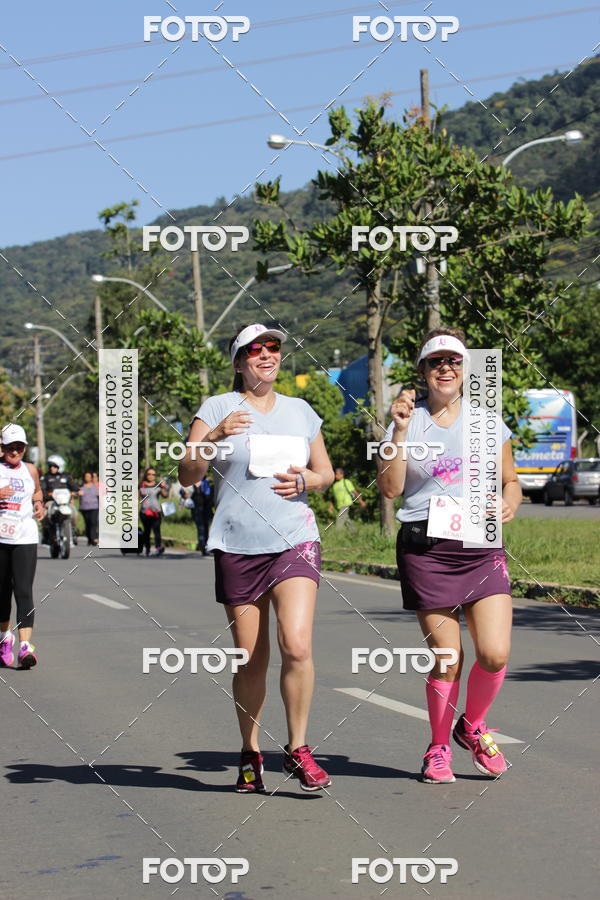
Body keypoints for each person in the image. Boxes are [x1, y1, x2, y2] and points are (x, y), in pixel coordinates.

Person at [179, 322, 335, 793]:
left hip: (294, 538)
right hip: (237, 544)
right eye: (255, 349)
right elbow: (187, 473)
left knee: (298, 644)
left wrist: (308, 481)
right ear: (238, 361)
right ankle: (250, 752)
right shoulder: (217, 408)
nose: (267, 354)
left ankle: (300, 748)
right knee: (251, 657)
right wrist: (215, 436)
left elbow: (325, 472)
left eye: (273, 347)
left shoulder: (301, 411)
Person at [377, 327, 522, 784]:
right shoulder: (407, 420)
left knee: (495, 654)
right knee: (447, 657)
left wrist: (510, 502)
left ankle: (472, 726)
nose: (446, 368)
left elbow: (511, 481)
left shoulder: (487, 422)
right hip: (426, 547)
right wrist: (398, 430)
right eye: (436, 361)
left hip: (480, 545)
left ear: (465, 370)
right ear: (422, 371)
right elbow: (391, 488)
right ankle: (438, 748)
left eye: (454, 361)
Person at [0, 424, 45, 669]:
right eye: (10, 447)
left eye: (19, 447)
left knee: (24, 591)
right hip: (0, 539)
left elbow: (37, 493)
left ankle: (25, 647)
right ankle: (4, 638)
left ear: (25, 448)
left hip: (25, 537)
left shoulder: (31, 470)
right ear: (2, 447)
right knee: (2, 593)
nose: (15, 451)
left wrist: (40, 505)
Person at [40, 455, 78, 545]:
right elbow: (42, 490)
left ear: (60, 466)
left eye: (54, 466)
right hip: (52, 501)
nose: (52, 468)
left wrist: (76, 491)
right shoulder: (46, 477)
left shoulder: (67, 476)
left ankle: (73, 531)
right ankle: (46, 532)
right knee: (45, 514)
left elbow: (74, 486)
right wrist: (47, 494)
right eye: (50, 466)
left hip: (65, 502)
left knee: (74, 513)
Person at [180, 476, 213, 554]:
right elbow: (182, 492)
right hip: (196, 510)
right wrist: (185, 495)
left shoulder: (206, 482)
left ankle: (206, 545)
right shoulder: (191, 483)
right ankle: (203, 546)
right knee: (200, 528)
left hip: (206, 510)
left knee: (206, 528)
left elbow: (209, 495)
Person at [139, 468, 168, 556]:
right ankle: (147, 548)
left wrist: (163, 486)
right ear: (146, 475)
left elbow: (165, 496)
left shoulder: (158, 485)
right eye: (149, 474)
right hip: (145, 512)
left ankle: (158, 547)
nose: (151, 476)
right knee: (147, 531)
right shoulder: (141, 485)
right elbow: (136, 498)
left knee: (157, 530)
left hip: (156, 512)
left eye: (153, 474)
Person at [78, 472, 99, 545]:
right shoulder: (81, 486)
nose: (87, 478)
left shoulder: (95, 486)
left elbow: (101, 493)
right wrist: (78, 493)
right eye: (86, 476)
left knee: (93, 522)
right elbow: (75, 493)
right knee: (88, 523)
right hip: (84, 507)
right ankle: (90, 539)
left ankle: (94, 538)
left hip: (94, 506)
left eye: (89, 476)